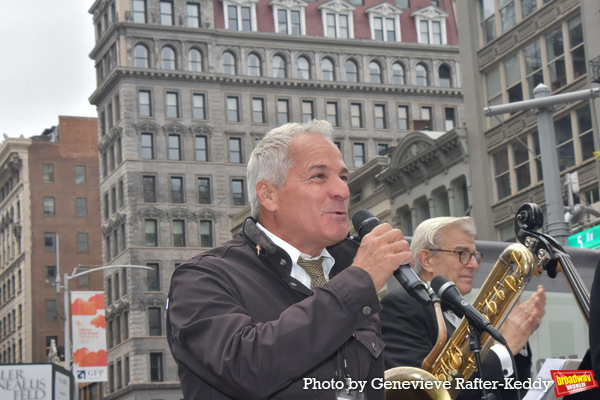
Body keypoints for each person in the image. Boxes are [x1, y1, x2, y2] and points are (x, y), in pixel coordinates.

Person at [166, 120, 413, 399]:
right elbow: (247, 366)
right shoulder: (202, 277)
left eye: (343, 178)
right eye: (319, 176)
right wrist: (359, 281)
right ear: (268, 195)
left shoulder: (348, 270)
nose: (343, 191)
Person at [380, 216, 546, 400]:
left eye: (474, 255)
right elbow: (420, 394)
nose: (474, 264)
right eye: (462, 253)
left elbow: (513, 392)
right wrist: (503, 347)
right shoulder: (399, 307)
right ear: (427, 259)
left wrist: (518, 339)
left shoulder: (467, 312)